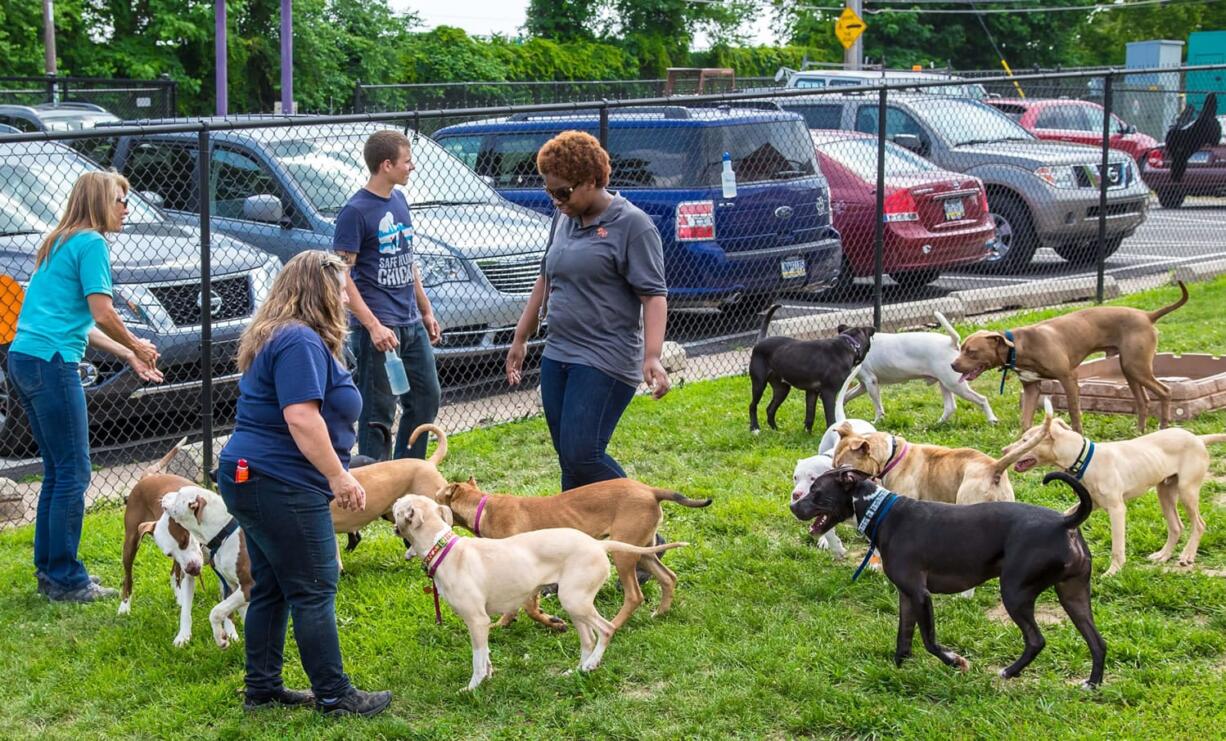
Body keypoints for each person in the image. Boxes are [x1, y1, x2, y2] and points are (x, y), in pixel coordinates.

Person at [216, 250, 390, 717]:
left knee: (272, 584)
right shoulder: (300, 342)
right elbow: (300, 417)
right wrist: (338, 475)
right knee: (315, 584)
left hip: (253, 475)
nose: (347, 298)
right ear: (321, 292)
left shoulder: (284, 335)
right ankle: (335, 695)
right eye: (341, 289)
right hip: (279, 480)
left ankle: (263, 688)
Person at [8, 171, 162, 603]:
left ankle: (53, 574)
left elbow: (81, 322)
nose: (125, 208)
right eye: (118, 200)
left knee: (58, 472)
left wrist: (127, 355)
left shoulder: (58, 241)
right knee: (74, 472)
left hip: (26, 359)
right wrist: (135, 341)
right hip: (52, 364)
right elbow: (101, 310)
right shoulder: (92, 243)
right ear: (97, 202)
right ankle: (66, 580)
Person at [505, 131, 670, 492]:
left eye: (563, 192)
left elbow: (654, 296)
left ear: (593, 181)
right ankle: (577, 546)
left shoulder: (633, 226)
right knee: (569, 458)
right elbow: (545, 277)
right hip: (558, 353)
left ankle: (643, 532)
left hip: (605, 358)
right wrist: (521, 337)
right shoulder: (563, 217)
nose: (555, 201)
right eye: (549, 192)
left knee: (583, 455)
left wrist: (653, 355)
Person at [333, 130, 442, 461]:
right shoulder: (355, 211)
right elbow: (342, 276)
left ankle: (409, 471)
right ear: (386, 165)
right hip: (379, 328)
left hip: (410, 322)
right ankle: (375, 482)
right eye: (406, 161)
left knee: (425, 399)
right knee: (378, 412)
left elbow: (408, 262)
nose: (411, 167)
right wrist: (373, 326)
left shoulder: (398, 200)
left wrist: (425, 310)